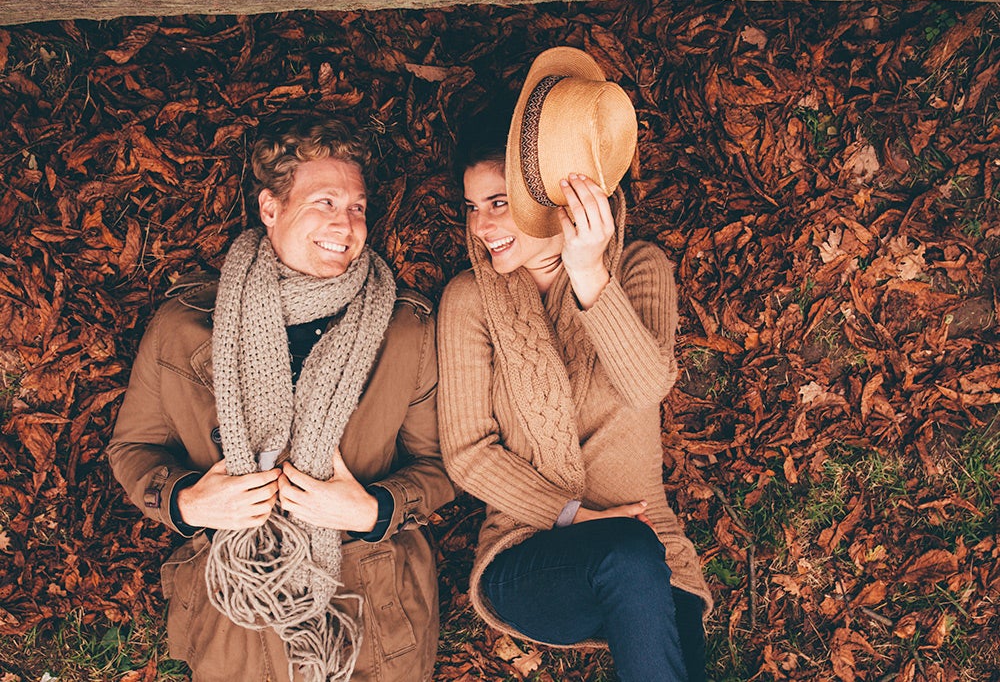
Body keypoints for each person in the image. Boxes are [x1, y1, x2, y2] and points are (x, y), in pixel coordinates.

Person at [108, 113, 454, 682]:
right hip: (233, 614)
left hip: (365, 604)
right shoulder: (185, 325)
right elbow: (133, 446)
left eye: (357, 207)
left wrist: (372, 509)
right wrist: (188, 504)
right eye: (324, 202)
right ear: (271, 208)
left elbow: (443, 465)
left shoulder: (405, 330)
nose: (345, 224)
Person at [437, 47, 713, 682]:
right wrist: (574, 517)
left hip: (652, 549)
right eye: (472, 207)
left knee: (643, 572)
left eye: (498, 203)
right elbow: (467, 453)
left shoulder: (639, 266)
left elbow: (647, 385)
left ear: (549, 197)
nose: (482, 226)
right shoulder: (470, 299)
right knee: (625, 552)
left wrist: (591, 279)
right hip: (529, 553)